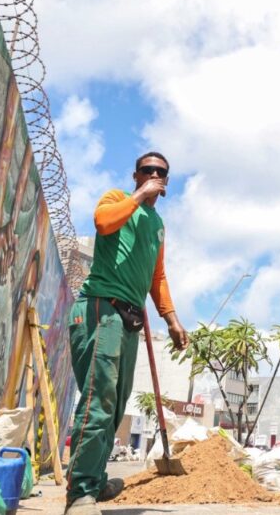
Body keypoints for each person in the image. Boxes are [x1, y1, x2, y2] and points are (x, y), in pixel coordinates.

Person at [65, 153, 189, 515]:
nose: (154, 175)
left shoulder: (158, 225)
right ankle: (81, 493)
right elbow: (103, 224)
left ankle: (95, 479)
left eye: (161, 172)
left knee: (116, 405)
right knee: (98, 401)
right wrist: (136, 197)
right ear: (135, 175)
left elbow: (157, 277)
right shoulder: (116, 199)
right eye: (148, 170)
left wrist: (171, 319)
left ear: (167, 180)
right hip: (101, 308)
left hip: (129, 319)